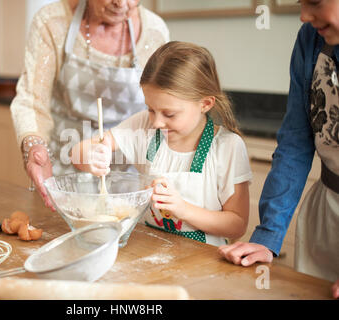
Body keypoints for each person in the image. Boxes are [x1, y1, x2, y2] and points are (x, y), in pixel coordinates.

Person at [71, 41, 253, 246]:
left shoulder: (228, 147)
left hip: (203, 265)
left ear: (205, 104)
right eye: (150, 109)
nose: (156, 122)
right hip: (149, 251)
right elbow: (78, 153)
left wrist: (183, 209)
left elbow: (237, 225)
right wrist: (90, 156)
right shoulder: (143, 125)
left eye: (169, 114)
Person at [217, 0, 339, 298]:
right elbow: (296, 143)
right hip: (327, 213)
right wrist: (268, 235)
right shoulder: (310, 40)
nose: (303, 15)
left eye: (315, 2)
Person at [10, 0, 169, 210]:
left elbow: (163, 107)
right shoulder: (53, 22)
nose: (121, 3)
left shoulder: (155, 32)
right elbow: (32, 99)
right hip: (62, 173)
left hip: (131, 180)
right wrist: (34, 146)